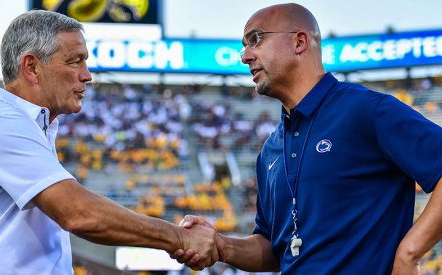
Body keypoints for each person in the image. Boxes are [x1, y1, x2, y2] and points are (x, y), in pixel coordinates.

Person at [171, 3, 442, 274]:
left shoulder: (367, 110)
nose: (246, 57)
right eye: (244, 47)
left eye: (256, 39)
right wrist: (221, 245)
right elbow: (273, 248)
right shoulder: (271, 150)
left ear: (299, 41)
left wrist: (409, 254)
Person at [0, 10, 220, 274]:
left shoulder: (29, 124)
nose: (87, 75)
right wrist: (180, 237)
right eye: (74, 61)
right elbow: (79, 213)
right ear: (32, 67)